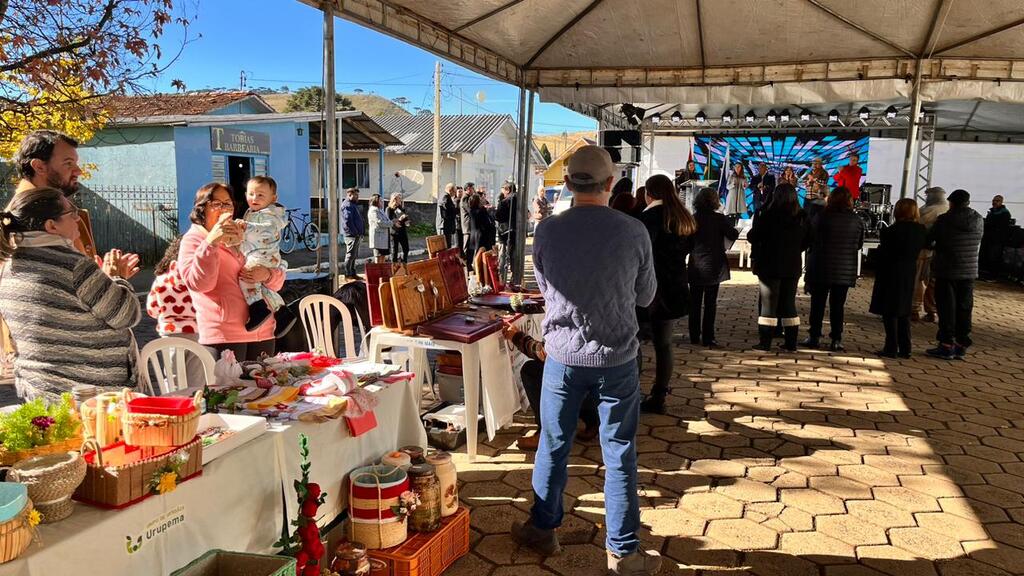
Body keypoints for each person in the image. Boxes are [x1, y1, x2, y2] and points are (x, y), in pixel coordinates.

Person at [511, 145, 660, 575]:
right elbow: (646, 296)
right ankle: (624, 553)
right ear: (610, 184)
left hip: (562, 356)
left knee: (554, 444)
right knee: (619, 451)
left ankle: (543, 529)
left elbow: (545, 286)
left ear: (569, 183)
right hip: (617, 358)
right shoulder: (633, 231)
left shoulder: (548, 231)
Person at [0, 187, 141, 402]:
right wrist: (117, 278)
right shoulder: (74, 265)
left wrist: (104, 283)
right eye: (71, 212)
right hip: (90, 397)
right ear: (51, 225)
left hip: (41, 391)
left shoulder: (9, 267)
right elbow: (127, 315)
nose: (78, 218)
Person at [178, 183, 285, 361]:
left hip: (263, 329)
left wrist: (268, 274)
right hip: (224, 335)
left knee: (265, 386)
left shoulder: (245, 233)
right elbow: (200, 284)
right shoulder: (194, 240)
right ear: (202, 208)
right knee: (231, 389)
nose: (224, 209)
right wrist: (211, 243)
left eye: (227, 204)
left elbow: (277, 280)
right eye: (216, 204)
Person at [637, 174, 696, 415]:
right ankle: (659, 395)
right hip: (675, 286)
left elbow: (640, 255)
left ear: (647, 193)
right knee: (664, 345)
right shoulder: (682, 217)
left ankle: (629, 392)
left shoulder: (647, 218)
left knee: (634, 343)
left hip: (648, 288)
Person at [502, 323, 599, 451]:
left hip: (580, 373)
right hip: (605, 367)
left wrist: (517, 336)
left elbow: (546, 353)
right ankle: (592, 421)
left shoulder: (569, 312)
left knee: (530, 370)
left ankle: (546, 433)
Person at [9, 130, 97, 258]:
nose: (79, 171)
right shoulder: (23, 220)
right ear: (39, 167)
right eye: (68, 163)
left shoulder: (51, 208)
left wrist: (104, 275)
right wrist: (114, 276)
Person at [802, 187, 865, 351]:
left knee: (817, 304)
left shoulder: (821, 217)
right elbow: (859, 245)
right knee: (838, 306)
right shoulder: (857, 220)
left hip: (821, 267)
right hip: (844, 269)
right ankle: (836, 339)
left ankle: (814, 336)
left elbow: (810, 239)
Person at [747, 184, 809, 351]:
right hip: (792, 265)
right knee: (789, 303)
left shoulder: (768, 215)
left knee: (768, 304)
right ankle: (791, 342)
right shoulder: (802, 216)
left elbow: (753, 236)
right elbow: (809, 240)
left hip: (769, 265)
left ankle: (765, 342)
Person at [925, 189, 983, 360]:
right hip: (969, 270)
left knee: (946, 308)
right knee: (965, 307)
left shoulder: (944, 219)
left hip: (947, 269)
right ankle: (961, 344)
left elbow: (930, 240)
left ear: (951, 203)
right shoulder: (978, 219)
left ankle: (946, 344)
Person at [869, 199, 927, 358]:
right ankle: (906, 347)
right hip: (909, 271)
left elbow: (884, 254)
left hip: (890, 272)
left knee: (890, 311)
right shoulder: (921, 230)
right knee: (904, 310)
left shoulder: (890, 231)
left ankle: (891, 346)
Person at [147, 235, 206, 385]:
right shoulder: (196, 280)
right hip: (196, 332)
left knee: (173, 378)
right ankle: (196, 403)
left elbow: (152, 310)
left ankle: (174, 403)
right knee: (197, 378)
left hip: (170, 335)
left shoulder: (161, 280)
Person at [689, 187, 740, 348]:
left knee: (694, 301)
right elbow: (732, 234)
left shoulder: (693, 218)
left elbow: (686, 241)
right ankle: (708, 337)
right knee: (710, 303)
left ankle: (693, 334)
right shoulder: (719, 219)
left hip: (696, 263)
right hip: (714, 264)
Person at [239, 176, 287, 330]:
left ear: (273, 198)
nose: (255, 198)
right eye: (251, 194)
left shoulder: (271, 214)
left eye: (260, 195)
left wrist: (246, 227)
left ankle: (257, 307)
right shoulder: (252, 212)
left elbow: (266, 230)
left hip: (264, 256)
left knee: (246, 276)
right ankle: (282, 312)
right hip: (258, 255)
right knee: (263, 288)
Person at [913, 186, 949, 322]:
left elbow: (919, 225)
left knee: (919, 280)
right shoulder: (947, 209)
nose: (926, 197)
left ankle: (914, 309)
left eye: (928, 195)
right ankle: (932, 311)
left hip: (925, 251)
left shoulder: (931, 210)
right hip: (940, 252)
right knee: (933, 283)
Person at [980, 195, 1012, 280]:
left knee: (994, 257)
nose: (994, 202)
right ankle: (986, 274)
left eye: (997, 201)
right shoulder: (991, 212)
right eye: (993, 200)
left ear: (1001, 202)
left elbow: (1002, 227)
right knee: (987, 256)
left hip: (997, 239)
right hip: (989, 238)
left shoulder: (1005, 213)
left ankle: (993, 276)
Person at [495, 182, 517, 281]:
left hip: (504, 231)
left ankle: (502, 277)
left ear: (507, 190)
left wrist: (492, 213)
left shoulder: (504, 202)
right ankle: (514, 276)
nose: (502, 192)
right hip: (515, 230)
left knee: (503, 254)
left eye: (503, 190)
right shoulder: (519, 200)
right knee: (513, 254)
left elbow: (498, 217)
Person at [341, 188, 364, 278]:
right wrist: (355, 232)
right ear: (350, 195)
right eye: (356, 195)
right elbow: (348, 221)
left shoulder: (352, 205)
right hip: (351, 235)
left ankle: (353, 273)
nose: (358, 197)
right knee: (350, 255)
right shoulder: (347, 205)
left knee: (354, 255)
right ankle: (348, 274)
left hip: (356, 234)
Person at [467, 193, 495, 265]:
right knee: (481, 253)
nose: (482, 200)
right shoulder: (481, 211)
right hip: (482, 235)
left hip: (474, 235)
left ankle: (474, 267)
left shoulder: (471, 210)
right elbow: (487, 222)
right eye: (480, 199)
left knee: (476, 253)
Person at [387, 193, 410, 264]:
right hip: (394, 232)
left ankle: (404, 263)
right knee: (394, 251)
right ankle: (394, 266)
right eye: (399, 198)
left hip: (402, 231)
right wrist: (399, 219)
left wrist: (406, 221)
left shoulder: (401, 208)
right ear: (395, 199)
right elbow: (389, 220)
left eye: (400, 198)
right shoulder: (389, 209)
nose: (401, 200)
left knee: (406, 249)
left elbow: (405, 218)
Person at [367, 193, 392, 259]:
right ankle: (378, 269)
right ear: (375, 201)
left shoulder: (380, 210)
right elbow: (379, 222)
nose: (382, 202)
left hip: (383, 238)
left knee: (383, 256)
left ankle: (382, 269)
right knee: (378, 257)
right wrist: (392, 223)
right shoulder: (373, 210)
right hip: (378, 237)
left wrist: (391, 222)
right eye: (380, 201)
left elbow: (386, 220)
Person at [438, 183, 459, 249]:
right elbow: (448, 210)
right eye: (455, 191)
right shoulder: (445, 197)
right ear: (451, 190)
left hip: (445, 226)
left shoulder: (444, 196)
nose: (455, 194)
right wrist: (456, 210)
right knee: (446, 246)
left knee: (447, 245)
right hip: (445, 226)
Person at [460, 182, 475, 259]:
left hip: (470, 226)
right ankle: (465, 263)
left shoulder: (469, 197)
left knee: (470, 246)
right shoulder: (465, 198)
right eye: (472, 188)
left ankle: (469, 263)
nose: (473, 190)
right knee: (466, 246)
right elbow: (469, 210)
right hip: (467, 225)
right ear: (468, 189)